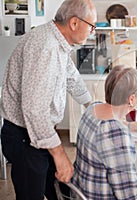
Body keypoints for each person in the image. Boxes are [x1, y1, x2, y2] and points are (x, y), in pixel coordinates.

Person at [0, 0, 97, 199]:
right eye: (91, 26)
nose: (92, 32)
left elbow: (71, 76)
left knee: (61, 191)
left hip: (38, 135)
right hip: (24, 137)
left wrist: (92, 105)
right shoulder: (46, 48)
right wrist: (60, 155)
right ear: (74, 23)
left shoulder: (57, 41)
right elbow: (35, 110)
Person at [71, 66, 137, 200]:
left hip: (81, 193)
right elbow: (129, 194)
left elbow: (110, 124)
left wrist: (131, 125)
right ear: (131, 99)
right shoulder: (117, 135)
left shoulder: (92, 109)